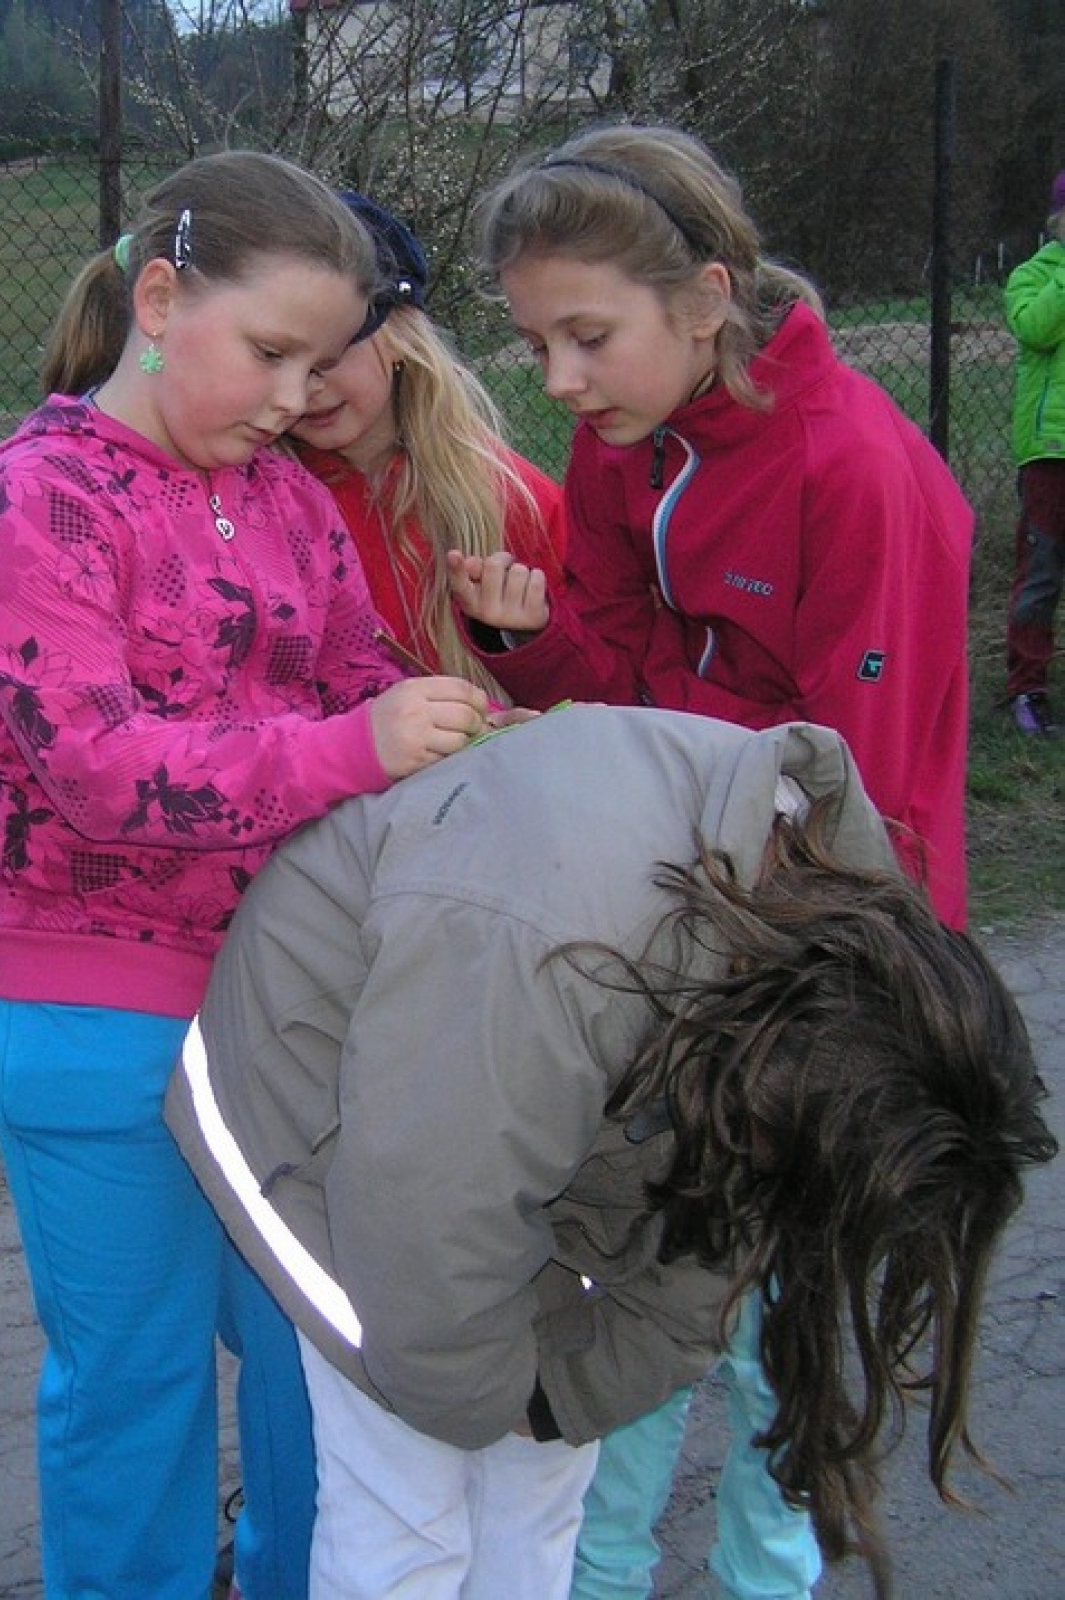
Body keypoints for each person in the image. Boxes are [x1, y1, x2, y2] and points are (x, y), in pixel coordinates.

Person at [0, 149, 504, 1600]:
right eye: (267, 354)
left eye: (318, 365)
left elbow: (357, 672)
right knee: (136, 1387)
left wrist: (467, 730)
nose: (294, 397)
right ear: (157, 301)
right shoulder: (37, 501)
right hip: (90, 1012)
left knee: (319, 1363)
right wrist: (354, 748)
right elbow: (98, 767)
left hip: (280, 995)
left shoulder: (287, 497)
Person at [165, 704, 1057, 1600]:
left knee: (537, 1485)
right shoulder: (553, 955)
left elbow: (724, 1238)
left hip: (511, 1089)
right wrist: (484, 1397)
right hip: (325, 1072)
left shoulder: (845, 993)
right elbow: (423, 1234)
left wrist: (561, 1396)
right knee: (409, 1506)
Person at [443, 124, 977, 1598]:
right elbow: (620, 682)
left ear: (705, 301)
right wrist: (523, 644)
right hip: (677, 922)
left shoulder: (852, 470)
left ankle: (767, 1578)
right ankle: (597, 1579)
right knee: (637, 1283)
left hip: (829, 952)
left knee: (783, 1327)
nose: (560, 381)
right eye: (535, 343)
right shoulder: (626, 435)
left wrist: (663, 748)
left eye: (586, 337)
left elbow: (849, 789)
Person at [284, 191, 567, 700]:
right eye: (276, 357)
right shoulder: (261, 502)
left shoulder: (508, 496)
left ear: (399, 336)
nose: (307, 387)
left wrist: (527, 642)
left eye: (330, 355)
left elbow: (591, 667)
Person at [1003, 168, 1065, 736]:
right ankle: (1027, 687)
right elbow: (1036, 329)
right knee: (1041, 570)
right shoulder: (1034, 277)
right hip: (1050, 450)